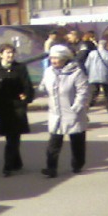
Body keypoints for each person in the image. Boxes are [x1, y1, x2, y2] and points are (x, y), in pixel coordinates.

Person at [38, 44, 90, 178]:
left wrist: (77, 107)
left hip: (72, 112)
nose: (53, 61)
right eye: (52, 58)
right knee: (53, 143)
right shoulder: (49, 71)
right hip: (56, 113)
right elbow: (43, 85)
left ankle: (77, 164)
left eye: (57, 58)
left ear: (65, 58)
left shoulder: (76, 72)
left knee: (77, 141)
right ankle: (51, 168)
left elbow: (83, 91)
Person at [0, 44, 34, 177]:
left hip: (17, 107)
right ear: (1, 54)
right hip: (3, 108)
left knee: (13, 137)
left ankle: (7, 166)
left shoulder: (20, 68)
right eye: (7, 53)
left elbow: (27, 86)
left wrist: (25, 99)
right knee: (10, 137)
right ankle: (17, 162)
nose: (10, 55)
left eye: (12, 53)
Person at [85, 34, 108, 112]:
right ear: (105, 45)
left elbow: (87, 64)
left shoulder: (92, 54)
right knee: (107, 92)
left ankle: (88, 105)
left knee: (93, 92)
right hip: (105, 76)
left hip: (93, 75)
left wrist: (88, 73)